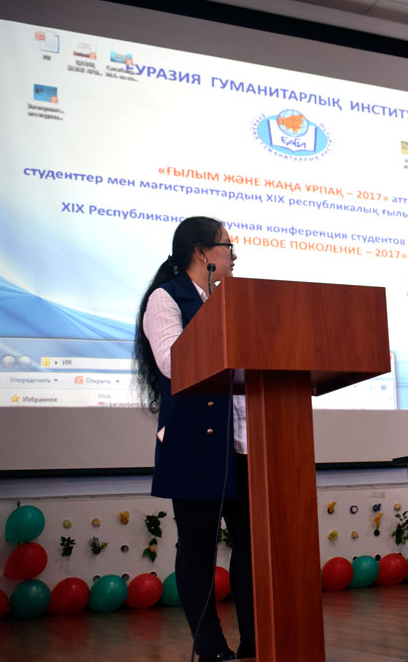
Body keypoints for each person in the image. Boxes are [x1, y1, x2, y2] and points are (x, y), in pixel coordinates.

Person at [134, 216, 252, 661]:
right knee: (198, 549)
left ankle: (256, 640)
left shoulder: (228, 303)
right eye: (228, 245)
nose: (235, 254)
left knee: (252, 547)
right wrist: (219, 317)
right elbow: (173, 361)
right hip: (194, 445)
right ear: (202, 252)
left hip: (242, 446)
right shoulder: (165, 299)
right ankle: (210, 646)